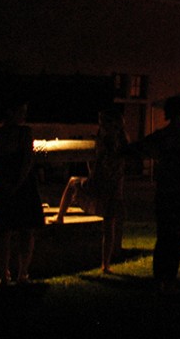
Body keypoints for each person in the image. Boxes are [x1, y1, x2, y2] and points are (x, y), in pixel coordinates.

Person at [125, 95, 180, 294]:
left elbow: (138, 149)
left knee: (164, 238)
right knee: (176, 241)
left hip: (168, 195)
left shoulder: (162, 136)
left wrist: (122, 146)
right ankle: (169, 280)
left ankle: (160, 280)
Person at [54, 106, 129, 273]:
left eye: (102, 121)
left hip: (100, 183)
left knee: (72, 182)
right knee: (109, 226)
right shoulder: (122, 140)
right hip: (115, 186)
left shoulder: (104, 141)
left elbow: (98, 164)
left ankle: (59, 217)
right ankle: (105, 264)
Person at [0, 98, 45, 285]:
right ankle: (11, 274)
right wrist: (13, 183)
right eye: (21, 111)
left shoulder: (4, 135)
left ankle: (17, 273)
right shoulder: (11, 135)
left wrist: (6, 183)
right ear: (10, 112)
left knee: (15, 231)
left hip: (12, 186)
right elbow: (26, 160)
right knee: (9, 232)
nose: (24, 115)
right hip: (17, 186)